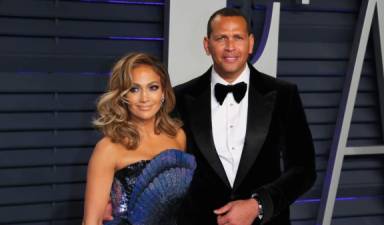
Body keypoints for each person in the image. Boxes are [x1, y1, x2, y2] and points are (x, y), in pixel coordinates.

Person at [174, 8, 316, 225]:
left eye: (237, 37)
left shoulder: (284, 95)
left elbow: (304, 169)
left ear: (250, 43)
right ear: (207, 44)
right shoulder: (179, 97)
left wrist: (258, 205)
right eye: (221, 38)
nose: (230, 47)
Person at [83, 53, 196, 225]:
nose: (144, 98)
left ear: (164, 92)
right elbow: (92, 221)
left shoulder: (178, 136)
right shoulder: (108, 148)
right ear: (123, 96)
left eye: (153, 87)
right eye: (134, 89)